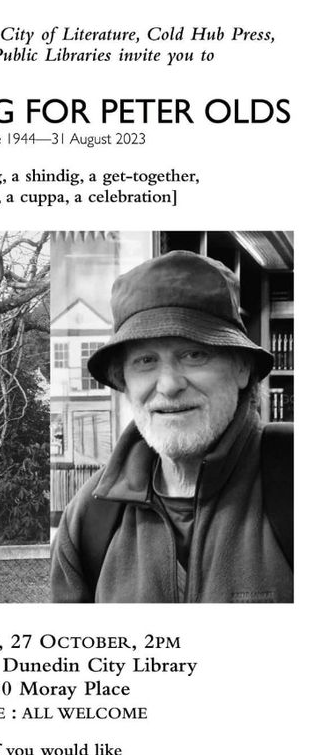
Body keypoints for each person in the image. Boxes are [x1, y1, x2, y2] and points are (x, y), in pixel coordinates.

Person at [51, 250, 293, 603]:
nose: (168, 385)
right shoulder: (89, 516)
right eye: (145, 361)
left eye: (194, 354)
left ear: (242, 368)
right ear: (124, 381)